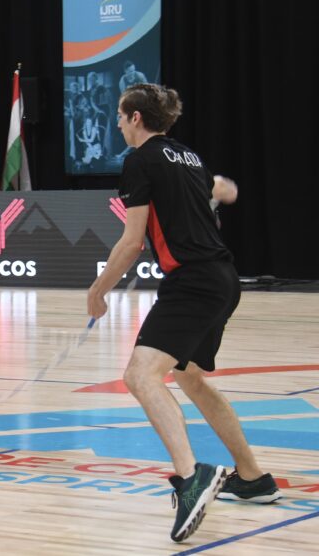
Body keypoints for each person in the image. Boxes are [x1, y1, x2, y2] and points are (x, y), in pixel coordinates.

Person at [86, 83, 281, 543]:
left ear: (136, 118)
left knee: (140, 376)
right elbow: (213, 187)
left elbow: (132, 241)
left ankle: (191, 477)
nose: (116, 121)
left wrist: (99, 289)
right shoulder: (187, 156)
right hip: (221, 278)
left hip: (192, 281)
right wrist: (222, 188)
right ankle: (252, 478)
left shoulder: (140, 160)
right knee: (190, 376)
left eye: (119, 114)